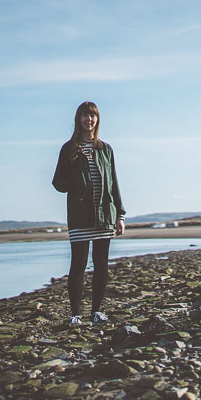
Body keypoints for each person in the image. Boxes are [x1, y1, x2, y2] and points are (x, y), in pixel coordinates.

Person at [52, 101, 125, 326]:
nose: (89, 120)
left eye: (92, 116)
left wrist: (120, 215)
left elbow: (113, 183)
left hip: (104, 215)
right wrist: (75, 181)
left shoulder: (105, 149)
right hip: (80, 216)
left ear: (97, 120)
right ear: (78, 119)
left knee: (101, 265)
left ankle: (96, 312)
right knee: (78, 265)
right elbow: (58, 182)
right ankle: (76, 314)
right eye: (85, 116)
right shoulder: (69, 148)